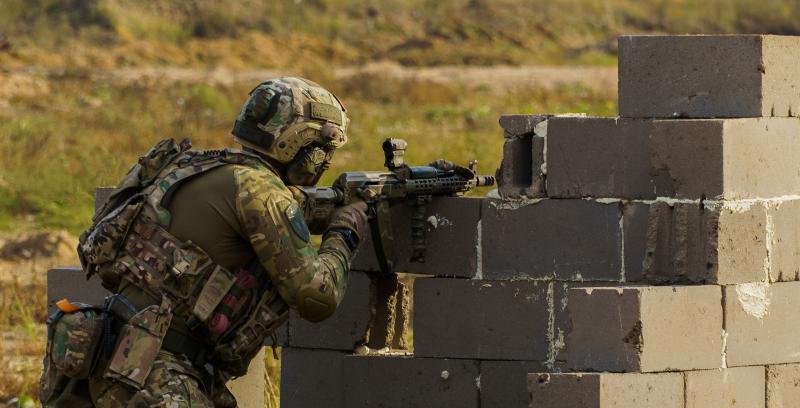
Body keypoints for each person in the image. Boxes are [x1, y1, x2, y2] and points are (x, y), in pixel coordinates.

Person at [40, 77, 367, 407]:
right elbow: (316, 297)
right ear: (299, 145)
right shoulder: (259, 189)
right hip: (157, 375)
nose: (323, 162)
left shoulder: (190, 165)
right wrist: (345, 231)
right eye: (322, 151)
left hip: (107, 352)